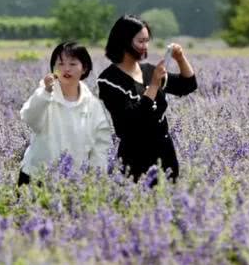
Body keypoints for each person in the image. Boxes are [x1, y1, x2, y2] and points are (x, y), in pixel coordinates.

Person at [97, 14, 198, 185]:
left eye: (147, 41)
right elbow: (131, 120)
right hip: (135, 157)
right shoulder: (109, 80)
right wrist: (153, 86)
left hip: (165, 154)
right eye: (140, 41)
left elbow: (187, 85)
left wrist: (180, 58)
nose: (145, 46)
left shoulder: (150, 71)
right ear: (124, 41)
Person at [18, 41, 112, 186]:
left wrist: (97, 178)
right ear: (53, 69)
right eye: (60, 64)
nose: (66, 69)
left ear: (84, 68)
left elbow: (100, 146)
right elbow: (29, 118)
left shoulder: (92, 105)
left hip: (72, 180)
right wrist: (45, 93)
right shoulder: (44, 94)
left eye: (73, 64)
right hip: (36, 175)